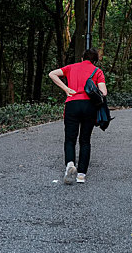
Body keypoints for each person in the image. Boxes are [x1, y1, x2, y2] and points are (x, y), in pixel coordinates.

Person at [48, 48, 107, 185]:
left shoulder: (71, 67)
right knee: (85, 140)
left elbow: (52, 74)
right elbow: (103, 92)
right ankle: (81, 175)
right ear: (95, 60)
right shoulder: (97, 71)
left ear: (82, 58)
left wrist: (67, 89)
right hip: (89, 107)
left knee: (70, 139)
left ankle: (69, 165)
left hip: (72, 104)